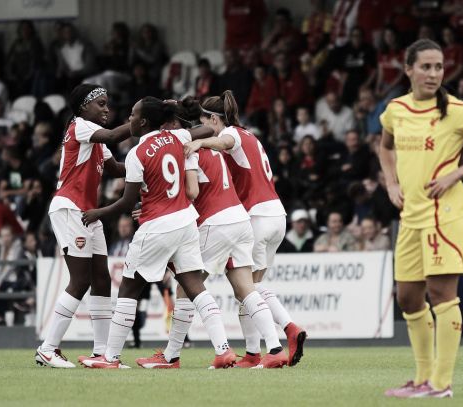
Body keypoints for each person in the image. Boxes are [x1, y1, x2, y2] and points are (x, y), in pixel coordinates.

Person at [379, 39, 463, 398]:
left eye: (439, 67)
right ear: (408, 69)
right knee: (407, 298)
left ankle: (440, 383)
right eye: (426, 66)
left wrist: (455, 175)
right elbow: (384, 147)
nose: (434, 73)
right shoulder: (395, 109)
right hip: (411, 215)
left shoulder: (457, 110)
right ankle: (421, 379)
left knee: (441, 293)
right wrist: (391, 184)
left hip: (445, 213)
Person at [79, 96, 236, 369]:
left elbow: (127, 203)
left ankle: (110, 357)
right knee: (194, 285)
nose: (128, 120)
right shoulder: (176, 136)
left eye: (131, 115)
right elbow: (209, 130)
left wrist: (98, 213)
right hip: (186, 221)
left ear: (142, 122)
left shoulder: (137, 153)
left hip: (157, 226)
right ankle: (223, 349)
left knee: (130, 286)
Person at [137, 98, 287, 369]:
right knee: (246, 289)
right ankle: (275, 348)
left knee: (186, 286)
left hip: (216, 222)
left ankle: (181, 354)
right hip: (241, 220)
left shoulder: (188, 148)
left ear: (175, 124)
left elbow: (193, 192)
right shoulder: (214, 145)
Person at [184, 90, 307, 367]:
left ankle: (282, 332)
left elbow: (225, 140)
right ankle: (262, 347)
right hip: (276, 213)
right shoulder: (251, 135)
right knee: (252, 286)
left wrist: (199, 142)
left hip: (256, 215)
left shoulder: (233, 134)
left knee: (245, 288)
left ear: (214, 119)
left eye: (206, 122)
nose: (204, 128)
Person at [34, 84, 130, 368]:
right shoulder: (81, 127)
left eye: (107, 103)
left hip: (88, 214)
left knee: (101, 279)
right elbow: (114, 134)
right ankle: (48, 348)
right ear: (83, 107)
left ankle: (101, 352)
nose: (106, 108)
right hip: (69, 208)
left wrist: (149, 162)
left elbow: (116, 169)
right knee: (81, 280)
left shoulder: (97, 141)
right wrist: (143, 120)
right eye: (100, 103)